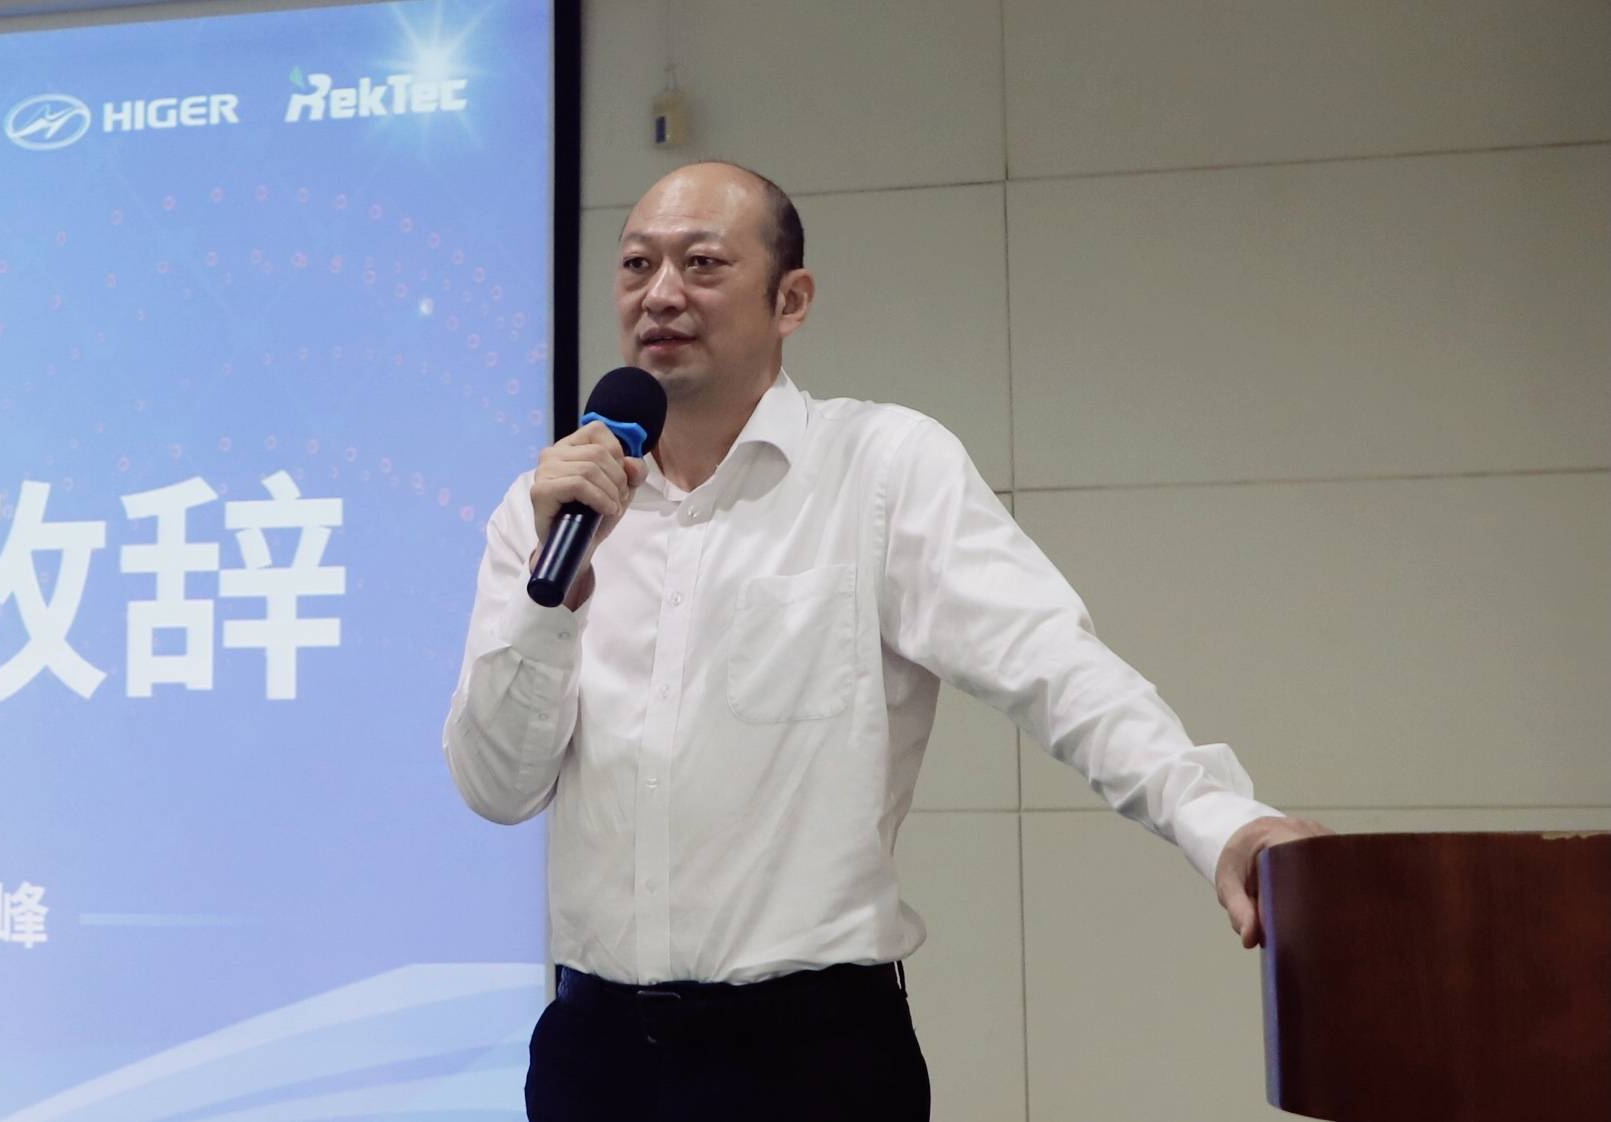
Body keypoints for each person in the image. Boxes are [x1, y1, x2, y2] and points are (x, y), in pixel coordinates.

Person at [443, 160, 1330, 1122]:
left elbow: (1053, 666)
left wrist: (1220, 821)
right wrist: (556, 597)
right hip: (594, 1059)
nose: (659, 294)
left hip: (809, 1061)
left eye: (701, 263)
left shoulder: (879, 468)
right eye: (635, 265)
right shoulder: (547, 507)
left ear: (791, 300)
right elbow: (497, 787)